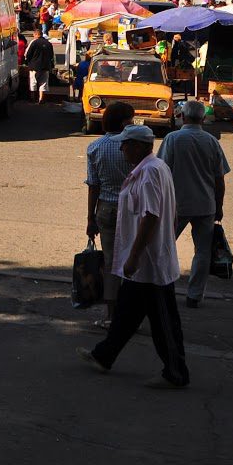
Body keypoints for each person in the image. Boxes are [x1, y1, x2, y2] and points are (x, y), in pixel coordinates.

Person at [80, 124, 188, 388]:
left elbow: (151, 216)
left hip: (149, 264)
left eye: (125, 144)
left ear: (139, 146)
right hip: (143, 262)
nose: (122, 148)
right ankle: (104, 355)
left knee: (164, 321)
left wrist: (134, 256)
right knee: (127, 313)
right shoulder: (152, 168)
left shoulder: (150, 172)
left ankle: (176, 372)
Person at [158, 100, 229, 308]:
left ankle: (163, 287)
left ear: (183, 116)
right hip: (205, 205)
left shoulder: (173, 139)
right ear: (203, 118)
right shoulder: (212, 141)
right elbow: (220, 178)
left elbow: (161, 171)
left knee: (165, 246)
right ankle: (195, 295)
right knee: (203, 251)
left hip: (176, 205)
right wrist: (219, 205)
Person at [84, 101, 137, 323]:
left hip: (106, 208)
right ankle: (129, 313)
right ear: (123, 122)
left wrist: (90, 218)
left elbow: (93, 185)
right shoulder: (133, 146)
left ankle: (111, 315)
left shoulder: (95, 147)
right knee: (132, 260)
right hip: (132, 208)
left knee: (110, 262)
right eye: (130, 120)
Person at [23, 26, 54, 104]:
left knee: (33, 82)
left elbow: (27, 54)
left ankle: (33, 98)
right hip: (45, 66)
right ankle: (41, 99)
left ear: (36, 34)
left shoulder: (34, 42)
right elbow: (51, 55)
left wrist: (27, 62)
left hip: (34, 66)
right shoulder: (48, 43)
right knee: (43, 82)